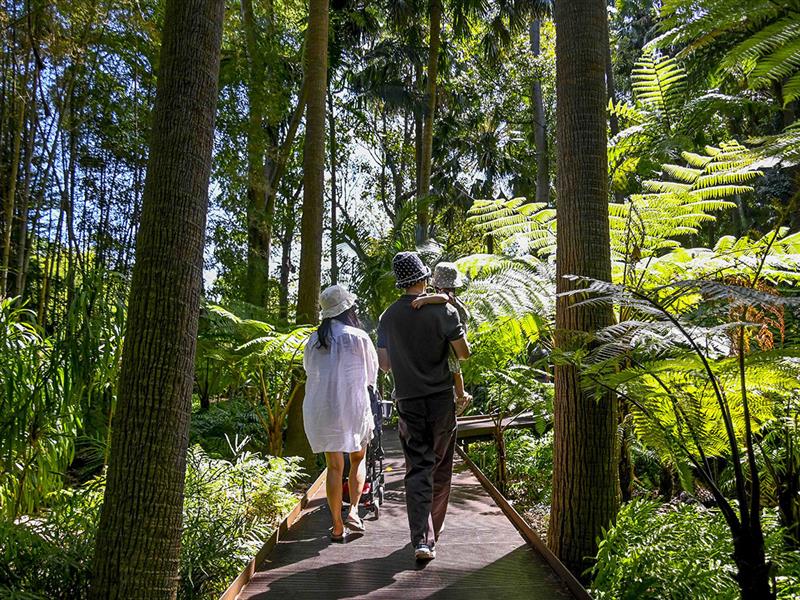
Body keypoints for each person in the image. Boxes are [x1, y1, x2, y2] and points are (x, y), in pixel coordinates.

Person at [377, 251, 471, 561]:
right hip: (441, 400)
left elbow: (385, 366)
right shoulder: (443, 312)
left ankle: (421, 539)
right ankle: (434, 533)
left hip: (408, 401)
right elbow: (463, 353)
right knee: (441, 467)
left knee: (418, 468)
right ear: (423, 278)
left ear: (400, 282)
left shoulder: (387, 317)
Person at [303, 285, 378, 542]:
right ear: (348, 309)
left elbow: (309, 372)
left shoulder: (314, 340)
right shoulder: (358, 336)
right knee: (357, 459)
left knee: (334, 467)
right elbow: (371, 376)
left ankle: (336, 526)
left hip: (322, 409)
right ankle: (354, 512)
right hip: (353, 406)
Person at [411, 262, 473, 416]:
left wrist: (424, 300)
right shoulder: (453, 297)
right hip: (456, 337)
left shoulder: (446, 296)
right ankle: (460, 395)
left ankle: (461, 396)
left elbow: (442, 298)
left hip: (452, 340)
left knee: (455, 370)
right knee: (455, 370)